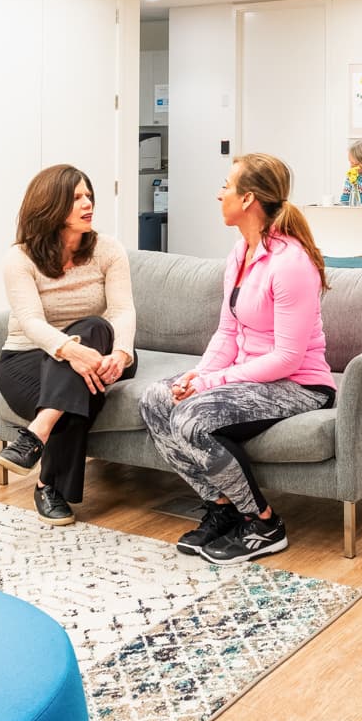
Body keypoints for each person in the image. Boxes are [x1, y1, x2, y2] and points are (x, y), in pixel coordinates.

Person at [141, 153, 335, 564]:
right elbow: (228, 331)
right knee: (157, 400)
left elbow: (286, 358)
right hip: (248, 379)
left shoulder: (290, 263)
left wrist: (212, 384)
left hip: (299, 385)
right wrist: (198, 374)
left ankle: (264, 523)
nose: (219, 194)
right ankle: (224, 508)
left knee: (192, 418)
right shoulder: (241, 253)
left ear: (247, 199)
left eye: (226, 186)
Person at [0, 165, 138, 526]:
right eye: (76, 198)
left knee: (93, 326)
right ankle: (48, 486)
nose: (87, 203)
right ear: (50, 206)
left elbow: (122, 310)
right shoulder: (20, 257)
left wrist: (120, 355)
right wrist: (70, 352)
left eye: (88, 195)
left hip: (102, 352)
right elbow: (30, 322)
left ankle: (36, 437)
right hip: (26, 358)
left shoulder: (108, 250)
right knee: (76, 396)